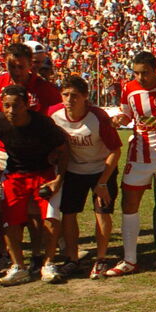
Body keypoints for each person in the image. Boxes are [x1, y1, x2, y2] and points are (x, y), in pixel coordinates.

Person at [110, 51, 156, 277]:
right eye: (136, 72)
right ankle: (130, 260)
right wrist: (118, 119)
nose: (140, 77)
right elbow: (126, 116)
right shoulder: (129, 88)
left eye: (145, 72)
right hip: (139, 155)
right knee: (129, 205)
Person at [0, 42, 63, 270]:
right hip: (3, 152)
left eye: (21, 66)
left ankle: (37, 253)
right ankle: (4, 253)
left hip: (38, 157)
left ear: (30, 65)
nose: (16, 71)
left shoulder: (44, 88)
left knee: (35, 211)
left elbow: (59, 119)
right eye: (12, 66)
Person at [0, 86, 69, 286]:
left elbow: (63, 150)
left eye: (16, 105)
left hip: (44, 173)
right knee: (10, 222)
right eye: (6, 105)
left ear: (26, 105)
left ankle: (49, 263)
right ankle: (19, 267)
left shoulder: (43, 124)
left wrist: (58, 180)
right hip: (15, 175)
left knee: (51, 219)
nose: (11, 110)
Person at [47, 76, 122, 279]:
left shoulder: (97, 117)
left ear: (85, 97)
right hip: (74, 169)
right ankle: (72, 259)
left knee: (102, 211)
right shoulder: (54, 114)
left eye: (75, 95)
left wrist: (103, 182)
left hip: (101, 169)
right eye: (65, 94)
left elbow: (115, 150)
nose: (69, 99)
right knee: (69, 213)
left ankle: (100, 258)